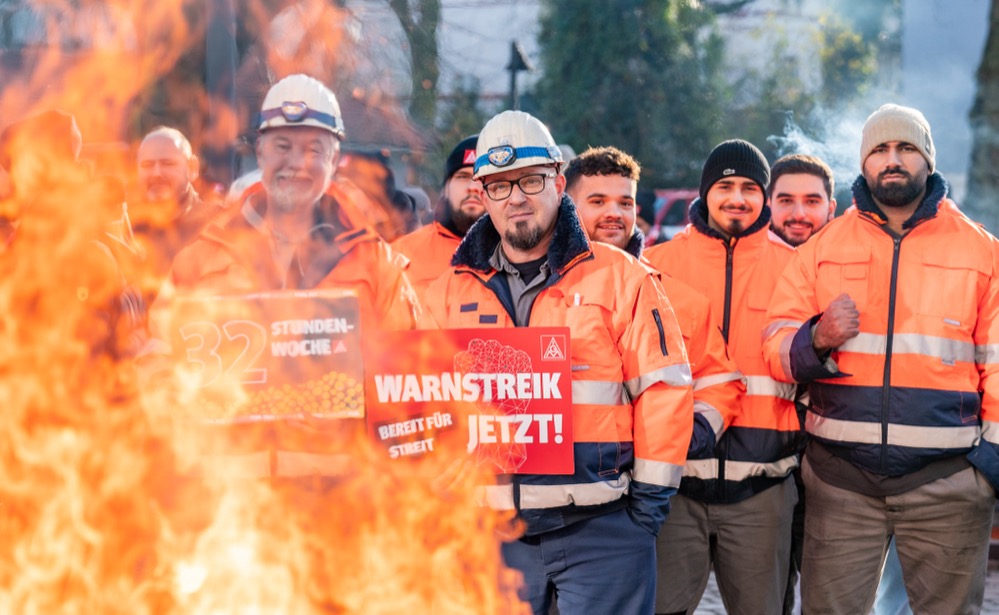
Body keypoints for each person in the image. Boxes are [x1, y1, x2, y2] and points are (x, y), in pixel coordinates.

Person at [423, 111, 694, 615]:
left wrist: (645, 511)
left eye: (530, 179)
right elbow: (425, 406)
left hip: (601, 531)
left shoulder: (621, 277)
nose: (517, 197)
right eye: (500, 186)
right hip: (489, 539)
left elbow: (664, 390)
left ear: (558, 182)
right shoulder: (444, 294)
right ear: (482, 195)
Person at [763, 103, 999, 614]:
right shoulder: (822, 248)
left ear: (927, 160)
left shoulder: (981, 252)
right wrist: (817, 338)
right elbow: (775, 347)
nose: (893, 160)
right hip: (840, 485)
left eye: (906, 148)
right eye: (880, 150)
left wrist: (986, 470)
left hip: (949, 485)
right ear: (864, 163)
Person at [147, 74, 420, 478]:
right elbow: (155, 351)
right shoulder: (199, 259)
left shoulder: (376, 263)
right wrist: (167, 389)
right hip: (227, 506)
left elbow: (418, 375)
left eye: (314, 149)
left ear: (333, 159)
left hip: (342, 504)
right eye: (283, 146)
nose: (298, 163)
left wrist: (362, 380)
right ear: (260, 151)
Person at [644, 139, 800, 615]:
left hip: (763, 489)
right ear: (706, 191)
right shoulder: (658, 265)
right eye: (726, 185)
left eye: (750, 187)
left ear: (765, 195)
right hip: (675, 491)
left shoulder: (795, 268)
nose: (738, 197)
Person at [766, 152, 838, 615]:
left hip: (837, 461)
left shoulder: (852, 264)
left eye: (812, 200)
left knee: (831, 591)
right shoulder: (752, 267)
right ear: (769, 203)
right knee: (772, 594)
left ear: (832, 206)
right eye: (786, 199)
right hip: (766, 460)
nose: (798, 212)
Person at [130, 126, 224, 303]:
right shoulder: (127, 230)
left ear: (192, 168)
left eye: (168, 163)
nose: (156, 173)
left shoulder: (217, 223)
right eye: (147, 165)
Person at [392, 134, 485, 299]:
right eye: (463, 177)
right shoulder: (402, 254)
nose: (473, 187)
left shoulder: (518, 255)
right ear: (446, 188)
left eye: (483, 178)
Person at [768, 153, 837, 247]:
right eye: (786, 201)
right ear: (769, 206)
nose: (798, 214)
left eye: (811, 201)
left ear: (830, 209)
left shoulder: (856, 257)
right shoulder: (742, 257)